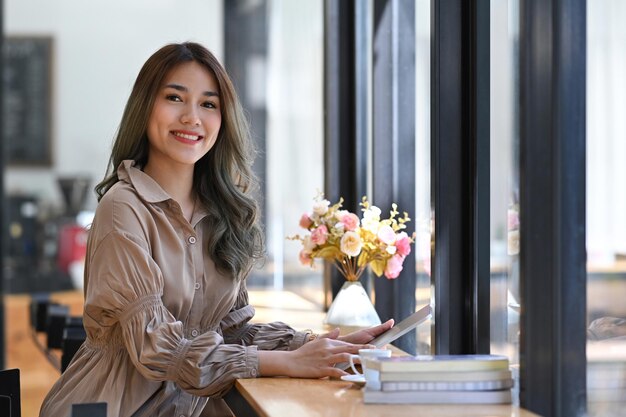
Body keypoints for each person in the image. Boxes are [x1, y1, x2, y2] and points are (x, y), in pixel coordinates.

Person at [39, 42, 393, 417]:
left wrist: (322, 345)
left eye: (208, 104)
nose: (192, 117)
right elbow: (158, 348)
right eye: (175, 98)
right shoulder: (123, 209)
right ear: (145, 108)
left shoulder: (221, 213)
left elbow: (230, 331)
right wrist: (285, 363)